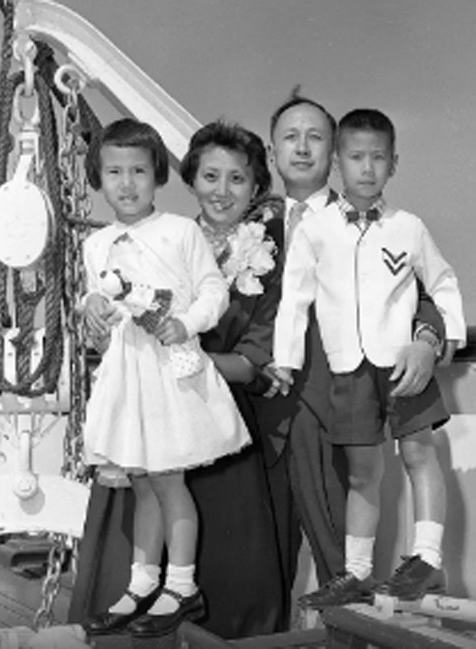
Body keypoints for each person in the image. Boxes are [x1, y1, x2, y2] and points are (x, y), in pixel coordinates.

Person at [69, 119, 288, 639]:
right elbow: (97, 295)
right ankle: (142, 582)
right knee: (142, 479)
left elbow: (213, 292)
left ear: (159, 176)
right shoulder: (96, 243)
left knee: (168, 480)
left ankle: (183, 584)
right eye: (114, 173)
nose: (127, 183)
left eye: (139, 171)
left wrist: (185, 325)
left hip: (174, 378)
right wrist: (91, 308)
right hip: (129, 381)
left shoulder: (180, 233)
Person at [273, 107, 466, 609]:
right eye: (356, 157)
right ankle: (357, 571)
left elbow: (441, 280)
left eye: (378, 158)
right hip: (348, 369)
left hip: (402, 364)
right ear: (338, 163)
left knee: (419, 454)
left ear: (393, 164)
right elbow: (295, 299)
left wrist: (447, 333)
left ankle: (428, 558)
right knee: (362, 473)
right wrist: (284, 359)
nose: (367, 168)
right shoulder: (315, 230)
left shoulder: (409, 227)